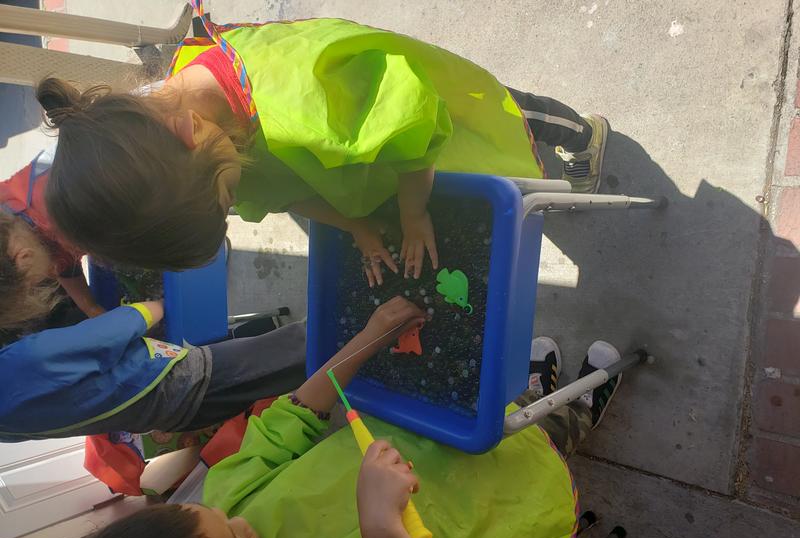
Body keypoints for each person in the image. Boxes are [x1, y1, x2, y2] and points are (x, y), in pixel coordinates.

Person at [51, 297, 623, 538]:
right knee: (544, 440)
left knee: (506, 412)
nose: (242, 526)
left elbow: (290, 421)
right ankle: (581, 409)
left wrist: (369, 335)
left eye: (206, 515)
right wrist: (382, 531)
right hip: (488, 504)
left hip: (430, 436)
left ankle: (538, 390)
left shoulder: (226, 499)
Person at [36, 5, 608, 288]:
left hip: (433, 113)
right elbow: (281, 193)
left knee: (508, 117)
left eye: (227, 193)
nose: (236, 199)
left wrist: (413, 216)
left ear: (188, 134)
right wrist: (355, 226)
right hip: (369, 153)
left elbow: (416, 131)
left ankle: (584, 136)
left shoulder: (306, 96)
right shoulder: (181, 146)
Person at [0, 298, 307, 442]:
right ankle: (354, 340)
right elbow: (111, 332)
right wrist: (159, 305)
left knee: (281, 373)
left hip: (174, 415)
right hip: (180, 380)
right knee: (299, 347)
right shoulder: (19, 363)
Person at [0, 149, 104, 334]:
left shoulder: (70, 217)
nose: (50, 275)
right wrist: (91, 308)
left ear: (24, 257)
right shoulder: (14, 225)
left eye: (33, 285)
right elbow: (62, 262)